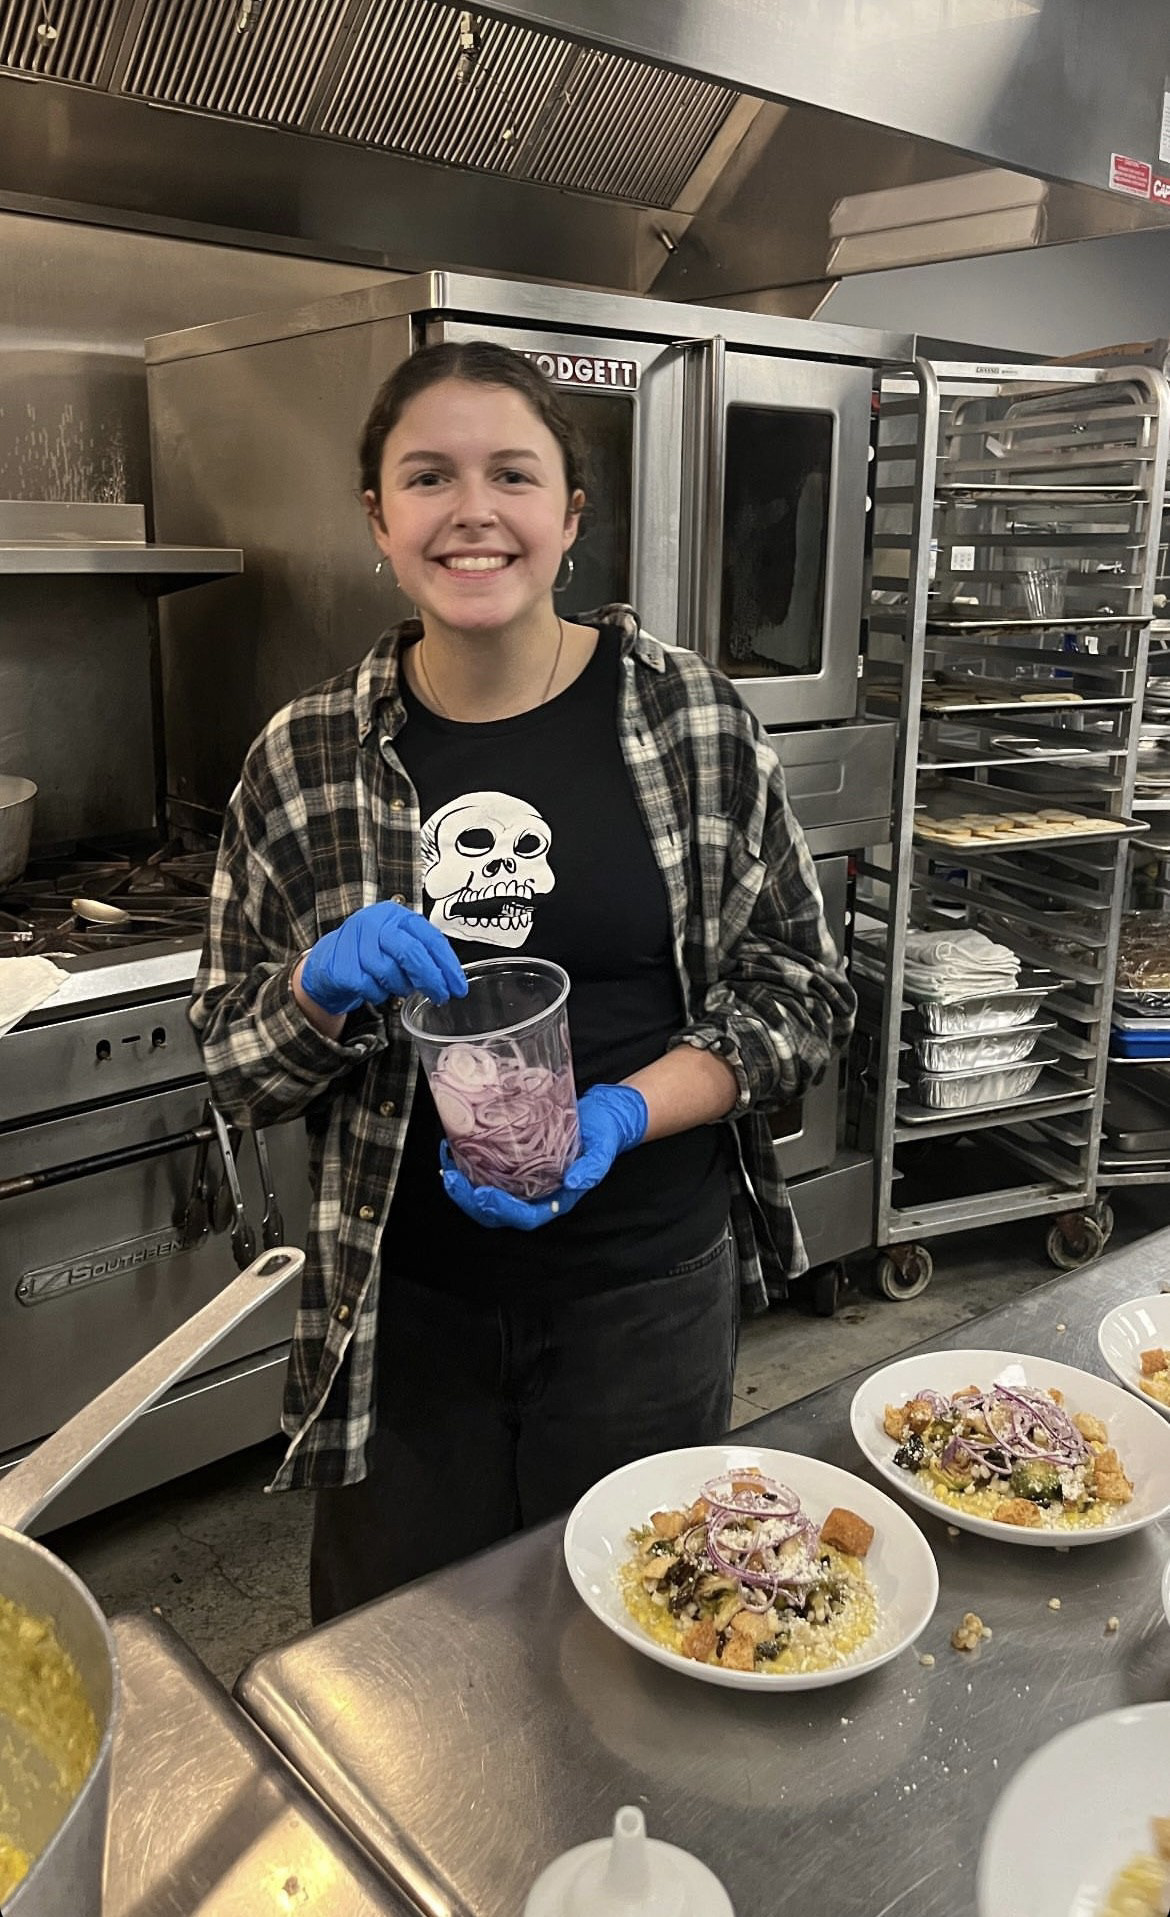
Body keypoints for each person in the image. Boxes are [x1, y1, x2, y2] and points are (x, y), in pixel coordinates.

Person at [190, 340, 856, 1624]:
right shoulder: (303, 757)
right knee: (399, 1655)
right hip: (405, 1309)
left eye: (512, 474)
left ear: (571, 514)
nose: (473, 511)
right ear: (378, 519)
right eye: (428, 477)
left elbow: (804, 994)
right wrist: (318, 990)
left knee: (641, 1631)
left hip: (645, 1293)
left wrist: (625, 1112)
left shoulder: (694, 721)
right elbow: (230, 1061)